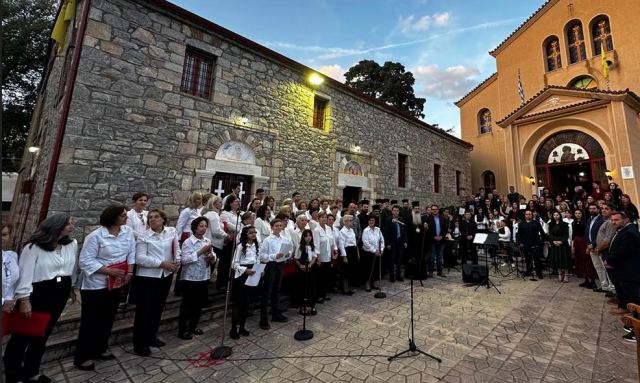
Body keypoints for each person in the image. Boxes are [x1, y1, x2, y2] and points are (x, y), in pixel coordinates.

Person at [4, 215, 77, 383]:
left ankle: (31, 372)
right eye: (68, 223)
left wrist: (71, 290)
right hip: (39, 294)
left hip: (60, 292)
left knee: (42, 336)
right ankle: (13, 376)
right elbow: (25, 274)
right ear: (56, 225)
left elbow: (71, 269)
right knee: (21, 338)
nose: (72, 226)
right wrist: (24, 300)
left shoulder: (70, 245)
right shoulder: (33, 247)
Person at [75, 205, 136, 371]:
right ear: (113, 217)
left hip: (115, 283)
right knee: (91, 321)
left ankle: (99, 349)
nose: (126, 218)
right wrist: (108, 270)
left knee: (107, 318)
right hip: (95, 285)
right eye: (123, 215)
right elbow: (85, 261)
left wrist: (129, 271)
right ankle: (82, 356)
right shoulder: (95, 236)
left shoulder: (127, 232)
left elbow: (131, 252)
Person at [132, 209, 180, 356]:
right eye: (150, 217)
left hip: (165, 276)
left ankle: (151, 337)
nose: (153, 219)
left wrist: (177, 262)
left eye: (156, 217)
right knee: (144, 311)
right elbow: (140, 258)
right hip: (148, 277)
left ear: (163, 219)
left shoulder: (171, 232)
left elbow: (176, 249)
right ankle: (140, 343)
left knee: (157, 308)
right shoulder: (143, 236)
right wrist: (161, 263)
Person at [178, 217, 216, 340]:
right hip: (190, 277)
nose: (204, 228)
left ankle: (193, 327)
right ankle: (182, 329)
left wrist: (211, 257)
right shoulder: (188, 242)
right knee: (187, 305)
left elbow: (213, 256)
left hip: (203, 276)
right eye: (201, 226)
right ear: (195, 228)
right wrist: (200, 252)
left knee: (198, 305)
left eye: (205, 226)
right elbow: (184, 260)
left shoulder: (207, 240)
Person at [606, 211, 640, 329]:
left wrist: (610, 260)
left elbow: (623, 251)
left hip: (629, 271)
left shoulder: (630, 232)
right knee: (628, 295)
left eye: (616, 220)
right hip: (623, 269)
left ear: (625, 220)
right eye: (612, 220)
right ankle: (630, 317)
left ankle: (635, 326)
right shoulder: (623, 230)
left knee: (634, 298)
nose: (613, 222)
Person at [258, 219, 292, 330]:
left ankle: (275, 314)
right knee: (267, 291)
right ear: (272, 227)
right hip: (271, 266)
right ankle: (263, 319)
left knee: (277, 290)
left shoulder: (285, 239)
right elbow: (262, 256)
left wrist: (287, 254)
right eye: (276, 225)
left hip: (280, 265)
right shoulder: (267, 240)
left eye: (280, 225)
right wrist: (274, 256)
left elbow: (289, 251)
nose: (278, 227)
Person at [230, 225, 260, 339]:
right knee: (238, 303)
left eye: (254, 232)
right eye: (251, 233)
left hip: (252, 274)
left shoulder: (256, 246)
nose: (253, 235)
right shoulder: (240, 247)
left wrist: (260, 270)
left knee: (246, 303)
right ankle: (233, 328)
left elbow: (257, 259)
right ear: (246, 235)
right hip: (242, 276)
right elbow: (234, 264)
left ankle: (242, 326)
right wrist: (245, 270)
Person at [218, 195, 241, 290]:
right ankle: (221, 283)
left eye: (239, 201)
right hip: (229, 240)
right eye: (236, 201)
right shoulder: (225, 213)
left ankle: (231, 281)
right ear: (230, 203)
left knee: (233, 262)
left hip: (237, 240)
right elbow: (228, 225)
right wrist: (240, 228)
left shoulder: (239, 214)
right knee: (225, 262)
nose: (238, 203)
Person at [294, 229, 318, 315]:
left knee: (312, 287)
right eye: (306, 236)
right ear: (303, 237)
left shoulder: (312, 246)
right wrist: (300, 265)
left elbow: (314, 257)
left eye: (310, 236)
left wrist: (310, 265)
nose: (308, 238)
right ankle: (303, 306)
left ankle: (311, 305)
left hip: (310, 268)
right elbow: (296, 259)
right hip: (302, 268)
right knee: (303, 288)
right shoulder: (300, 246)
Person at [313, 212, 336, 303]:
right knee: (319, 277)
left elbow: (331, 242)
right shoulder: (316, 230)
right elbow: (316, 245)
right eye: (322, 217)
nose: (324, 219)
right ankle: (318, 296)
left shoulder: (328, 228)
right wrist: (318, 258)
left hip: (328, 256)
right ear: (318, 219)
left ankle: (324, 294)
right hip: (321, 257)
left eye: (325, 217)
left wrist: (333, 252)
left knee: (326, 277)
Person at [517, 210, 546, 280]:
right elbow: (519, 234)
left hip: (535, 243)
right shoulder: (521, 224)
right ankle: (528, 271)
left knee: (537, 259)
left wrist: (543, 241)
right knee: (527, 259)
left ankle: (539, 273)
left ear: (532, 215)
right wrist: (520, 242)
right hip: (525, 244)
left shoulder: (536, 223)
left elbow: (542, 232)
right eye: (526, 214)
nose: (528, 216)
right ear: (525, 215)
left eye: (529, 214)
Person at [382, 206, 408, 282]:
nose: (396, 212)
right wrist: (387, 243)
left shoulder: (401, 220)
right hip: (392, 243)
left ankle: (398, 276)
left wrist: (405, 241)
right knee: (392, 261)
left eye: (397, 211)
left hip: (400, 243)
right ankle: (392, 277)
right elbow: (386, 233)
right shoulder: (388, 220)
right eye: (394, 210)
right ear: (392, 211)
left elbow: (404, 232)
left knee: (399, 261)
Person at [572, 209, 595, 288]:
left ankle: (592, 281)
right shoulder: (573, 222)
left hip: (584, 242)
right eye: (576, 213)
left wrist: (588, 245)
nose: (577, 214)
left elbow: (587, 234)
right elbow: (573, 235)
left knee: (587, 261)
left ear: (582, 214)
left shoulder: (586, 222)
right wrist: (572, 245)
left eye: (579, 213)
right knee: (580, 261)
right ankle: (586, 280)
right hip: (576, 242)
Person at [547, 211, 571, 283]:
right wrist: (553, 241)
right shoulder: (551, 224)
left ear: (560, 216)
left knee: (564, 259)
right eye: (554, 215)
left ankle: (566, 275)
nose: (555, 216)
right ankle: (560, 274)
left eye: (557, 215)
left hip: (563, 244)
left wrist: (561, 241)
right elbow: (550, 235)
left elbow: (566, 235)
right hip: (554, 243)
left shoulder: (564, 224)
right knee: (557, 259)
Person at [361, 216, 384, 291]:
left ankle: (373, 284)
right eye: (370, 220)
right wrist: (374, 251)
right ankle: (367, 284)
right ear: (368, 222)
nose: (371, 222)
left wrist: (381, 249)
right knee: (368, 269)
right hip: (368, 253)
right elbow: (366, 243)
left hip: (377, 253)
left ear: (375, 221)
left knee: (375, 269)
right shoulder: (366, 230)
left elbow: (382, 240)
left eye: (373, 220)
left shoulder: (378, 229)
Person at [426, 205, 449, 277]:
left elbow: (445, 228)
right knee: (432, 257)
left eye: (436, 209)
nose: (434, 210)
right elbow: (428, 231)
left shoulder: (443, 218)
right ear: (431, 210)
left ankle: (440, 271)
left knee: (440, 257)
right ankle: (431, 272)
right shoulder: (428, 219)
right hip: (432, 240)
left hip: (441, 240)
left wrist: (441, 236)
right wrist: (434, 237)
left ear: (438, 210)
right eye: (433, 209)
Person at [2, 223, 19, 314]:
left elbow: (11, 284)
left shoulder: (12, 256)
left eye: (4, 235)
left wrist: (9, 300)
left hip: (5, 310)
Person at [338, 215, 358, 294]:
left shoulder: (352, 230)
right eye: (350, 220)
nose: (352, 222)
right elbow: (341, 245)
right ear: (345, 222)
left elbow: (354, 242)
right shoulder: (342, 232)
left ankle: (350, 288)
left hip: (353, 250)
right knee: (345, 271)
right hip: (347, 251)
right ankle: (345, 289)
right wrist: (344, 256)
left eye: (351, 220)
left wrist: (357, 253)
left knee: (351, 270)